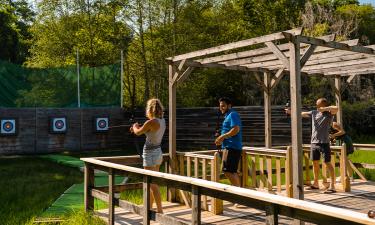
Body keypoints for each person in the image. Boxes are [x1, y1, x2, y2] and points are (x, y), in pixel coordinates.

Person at [286, 98, 338, 193]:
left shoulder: (329, 113)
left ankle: (333, 186)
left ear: (324, 105)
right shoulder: (314, 112)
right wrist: (290, 111)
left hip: (324, 143)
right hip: (314, 143)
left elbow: (336, 108)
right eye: (317, 105)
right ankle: (316, 184)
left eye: (319, 105)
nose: (317, 106)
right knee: (315, 163)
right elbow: (301, 113)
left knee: (327, 163)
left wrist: (325, 109)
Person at [130, 98, 165, 213]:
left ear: (149, 109)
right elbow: (149, 131)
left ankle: (160, 211)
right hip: (158, 152)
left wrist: (135, 126)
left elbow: (138, 132)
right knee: (152, 183)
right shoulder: (162, 121)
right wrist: (141, 128)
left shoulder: (150, 122)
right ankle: (149, 208)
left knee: (152, 184)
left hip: (150, 154)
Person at [215, 97, 243, 190]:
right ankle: (238, 192)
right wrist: (220, 138)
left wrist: (222, 137)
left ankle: (238, 193)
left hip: (232, 147)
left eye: (223, 106)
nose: (221, 108)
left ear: (229, 106)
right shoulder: (227, 115)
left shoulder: (233, 114)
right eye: (220, 106)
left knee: (228, 171)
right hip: (229, 147)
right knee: (231, 171)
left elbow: (236, 129)